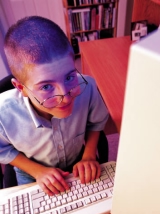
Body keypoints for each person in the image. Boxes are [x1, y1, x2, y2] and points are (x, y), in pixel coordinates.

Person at [0, 16, 109, 195]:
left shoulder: (87, 88)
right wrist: (37, 171)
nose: (65, 98)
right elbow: (2, 149)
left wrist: (89, 155)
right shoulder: (3, 114)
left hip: (78, 159)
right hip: (32, 171)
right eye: (46, 86)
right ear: (21, 88)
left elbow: (96, 123)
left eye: (69, 77)